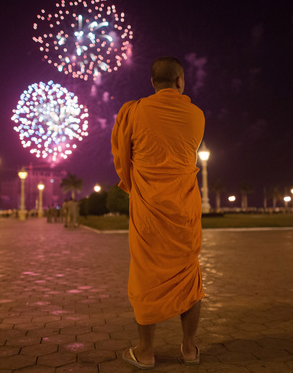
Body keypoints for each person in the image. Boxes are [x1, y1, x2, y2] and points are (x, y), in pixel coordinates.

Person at [111, 56, 205, 369]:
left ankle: (146, 351)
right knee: (189, 277)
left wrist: (132, 182)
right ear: (180, 81)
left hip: (149, 211)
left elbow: (123, 158)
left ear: (152, 83)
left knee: (145, 276)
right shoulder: (196, 115)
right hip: (184, 211)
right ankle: (189, 349)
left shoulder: (133, 111)